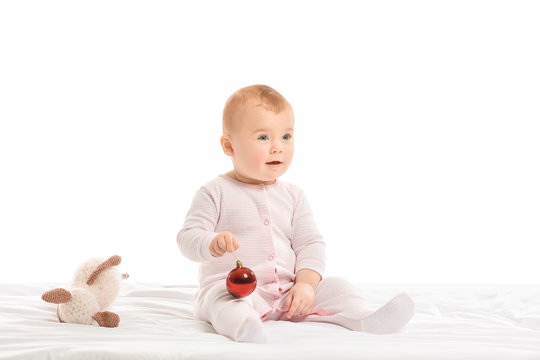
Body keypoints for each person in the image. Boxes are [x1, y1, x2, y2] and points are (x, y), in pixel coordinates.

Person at [177, 84, 415, 343]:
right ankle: (245, 326)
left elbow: (310, 243)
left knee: (337, 286)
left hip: (288, 292)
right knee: (219, 301)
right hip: (235, 290)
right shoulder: (215, 191)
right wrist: (210, 243)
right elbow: (188, 237)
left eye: (286, 137)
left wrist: (305, 285)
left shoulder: (293, 195)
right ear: (229, 146)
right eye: (263, 138)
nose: (277, 147)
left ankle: (366, 317)